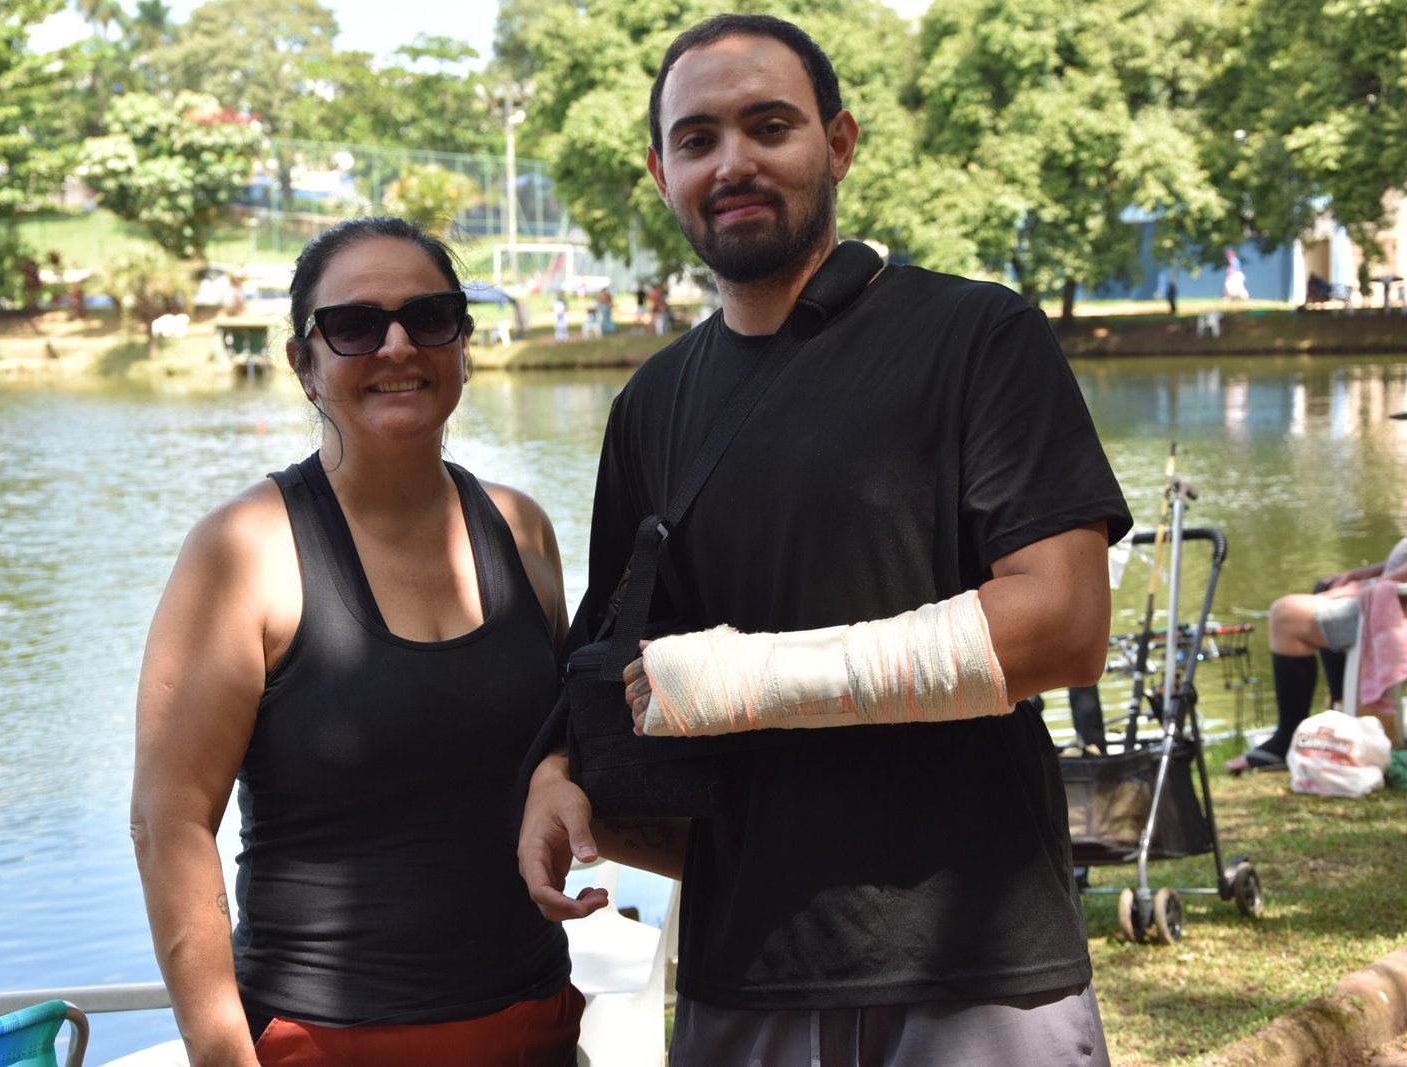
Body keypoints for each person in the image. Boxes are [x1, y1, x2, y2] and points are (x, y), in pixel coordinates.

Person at [517, 15, 1130, 1066]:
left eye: (770, 126)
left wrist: (753, 676)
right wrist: (554, 771)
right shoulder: (651, 404)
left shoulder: (977, 337)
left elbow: (1067, 624)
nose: (733, 163)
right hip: (741, 963)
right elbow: (614, 655)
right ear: (661, 173)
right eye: (698, 139)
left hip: (974, 966)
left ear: (838, 143)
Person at [132, 216, 582, 1066]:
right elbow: (170, 820)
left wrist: (559, 771)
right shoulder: (244, 551)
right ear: (304, 363)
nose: (397, 346)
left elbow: (559, 731)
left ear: (464, 343)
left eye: (430, 317)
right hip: (324, 1039)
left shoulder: (521, 529)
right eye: (354, 326)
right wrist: (222, 1050)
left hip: (534, 1025)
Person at [1226, 538, 1407, 774]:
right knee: (1324, 586)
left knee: (1286, 615)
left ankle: (1285, 740)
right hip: (1391, 591)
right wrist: (1365, 573)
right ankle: (1341, 709)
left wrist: (1366, 586)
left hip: (1394, 606)